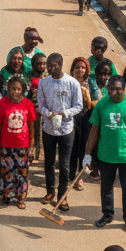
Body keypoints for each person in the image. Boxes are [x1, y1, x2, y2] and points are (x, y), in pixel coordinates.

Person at [84, 75, 126, 235]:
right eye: (111, 88)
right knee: (106, 188)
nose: (114, 91)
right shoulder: (102, 104)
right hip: (106, 155)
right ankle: (107, 215)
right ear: (107, 88)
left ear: (124, 89)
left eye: (118, 88)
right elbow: (94, 129)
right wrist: (88, 153)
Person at [37, 53, 84, 209]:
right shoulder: (43, 83)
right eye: (48, 65)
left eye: (54, 65)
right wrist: (48, 113)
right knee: (49, 162)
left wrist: (64, 114)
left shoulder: (72, 83)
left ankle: (62, 195)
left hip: (66, 129)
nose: (50, 68)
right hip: (48, 128)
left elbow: (78, 106)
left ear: (61, 65)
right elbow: (40, 104)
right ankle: (50, 190)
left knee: (64, 164)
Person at [0, 75, 36, 208]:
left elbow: (31, 126)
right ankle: (7, 195)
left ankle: (20, 198)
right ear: (8, 89)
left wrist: (32, 144)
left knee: (22, 173)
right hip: (6, 145)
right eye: (13, 89)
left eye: (18, 89)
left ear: (23, 90)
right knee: (7, 172)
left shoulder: (28, 104)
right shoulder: (2, 103)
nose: (16, 92)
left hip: (22, 145)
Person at [68, 57, 95, 190]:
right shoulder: (67, 82)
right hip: (70, 120)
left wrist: (86, 95)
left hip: (85, 120)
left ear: (87, 70)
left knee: (82, 150)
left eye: (83, 67)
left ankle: (79, 178)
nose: (80, 70)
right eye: (77, 67)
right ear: (73, 69)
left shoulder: (90, 84)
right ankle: (70, 176)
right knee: (71, 149)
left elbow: (94, 103)